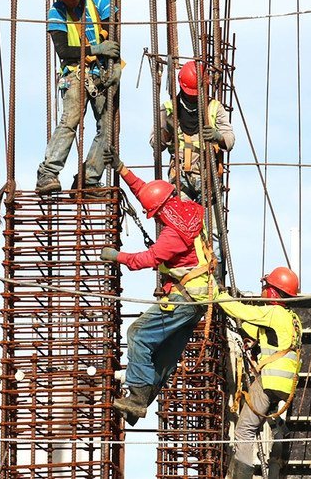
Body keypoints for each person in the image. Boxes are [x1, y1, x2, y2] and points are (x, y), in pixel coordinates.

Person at [101, 164, 218, 425]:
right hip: (197, 299)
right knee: (164, 355)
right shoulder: (186, 210)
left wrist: (117, 256)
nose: (153, 218)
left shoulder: (173, 234)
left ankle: (137, 398)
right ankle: (139, 404)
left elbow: (149, 258)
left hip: (184, 297)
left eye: (154, 214)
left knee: (138, 335)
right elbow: (147, 191)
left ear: (160, 210)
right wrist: (121, 169)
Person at [36, 0, 122, 198]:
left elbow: (113, 37)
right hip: (75, 74)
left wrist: (116, 64)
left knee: (108, 127)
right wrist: (96, 49)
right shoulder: (56, 12)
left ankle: (89, 179)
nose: (72, 1)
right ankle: (47, 173)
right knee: (70, 122)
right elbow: (63, 51)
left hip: (101, 74)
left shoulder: (101, 2)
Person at [219, 267, 303, 479]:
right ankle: (279, 427)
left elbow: (243, 312)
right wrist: (246, 333)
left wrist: (219, 296)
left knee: (244, 430)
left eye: (266, 287)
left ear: (274, 291)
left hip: (271, 380)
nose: (263, 291)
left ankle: (241, 477)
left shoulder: (273, 312)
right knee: (266, 414)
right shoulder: (293, 319)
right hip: (285, 385)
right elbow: (262, 331)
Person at [150, 60, 235, 202]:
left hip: (208, 177)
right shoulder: (169, 109)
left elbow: (230, 140)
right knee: (184, 222)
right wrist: (166, 132)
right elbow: (156, 145)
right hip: (181, 179)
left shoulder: (214, 107)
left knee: (211, 224)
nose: (193, 97)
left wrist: (218, 137)